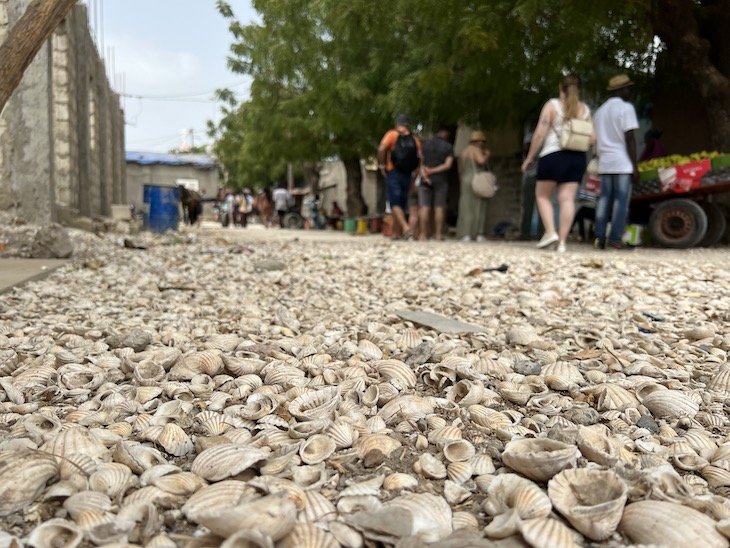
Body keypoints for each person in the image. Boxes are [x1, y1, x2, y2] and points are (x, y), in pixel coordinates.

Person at [521, 73, 592, 253]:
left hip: (553, 156)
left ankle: (550, 232)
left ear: (561, 88)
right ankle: (562, 242)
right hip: (577, 158)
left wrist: (529, 158)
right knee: (567, 199)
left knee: (542, 195)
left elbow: (539, 133)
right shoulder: (585, 110)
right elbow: (592, 139)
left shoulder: (552, 105)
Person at [593, 73, 640, 250]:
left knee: (604, 200)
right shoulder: (625, 108)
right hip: (622, 162)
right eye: (627, 88)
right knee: (621, 202)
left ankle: (599, 238)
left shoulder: (599, 111)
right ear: (620, 90)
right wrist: (635, 166)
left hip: (605, 162)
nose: (629, 91)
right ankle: (615, 239)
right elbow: (630, 139)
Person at [377, 114, 422, 240]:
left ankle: (405, 228)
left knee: (394, 203)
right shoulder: (415, 140)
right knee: (401, 204)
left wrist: (381, 165)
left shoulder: (392, 134)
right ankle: (396, 234)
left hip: (393, 171)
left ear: (397, 124)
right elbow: (420, 160)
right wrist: (414, 177)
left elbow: (381, 149)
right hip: (407, 174)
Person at [419, 126, 454, 241]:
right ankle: (438, 235)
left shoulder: (425, 144)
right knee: (439, 207)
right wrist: (433, 171)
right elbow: (448, 165)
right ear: (444, 132)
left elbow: (421, 163)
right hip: (441, 180)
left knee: (424, 207)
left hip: (425, 179)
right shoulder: (448, 147)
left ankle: (423, 234)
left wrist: (425, 174)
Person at [457, 130, 491, 242]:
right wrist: (486, 155)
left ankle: (465, 233)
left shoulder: (463, 152)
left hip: (465, 179)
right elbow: (481, 161)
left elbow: (460, 169)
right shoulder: (476, 150)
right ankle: (478, 233)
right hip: (476, 179)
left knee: (466, 206)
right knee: (479, 206)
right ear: (479, 141)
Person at [519, 124, 543, 240]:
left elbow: (526, 151)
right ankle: (529, 233)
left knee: (537, 206)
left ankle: (531, 234)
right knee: (537, 206)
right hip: (538, 174)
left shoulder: (534, 136)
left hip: (535, 175)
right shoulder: (544, 137)